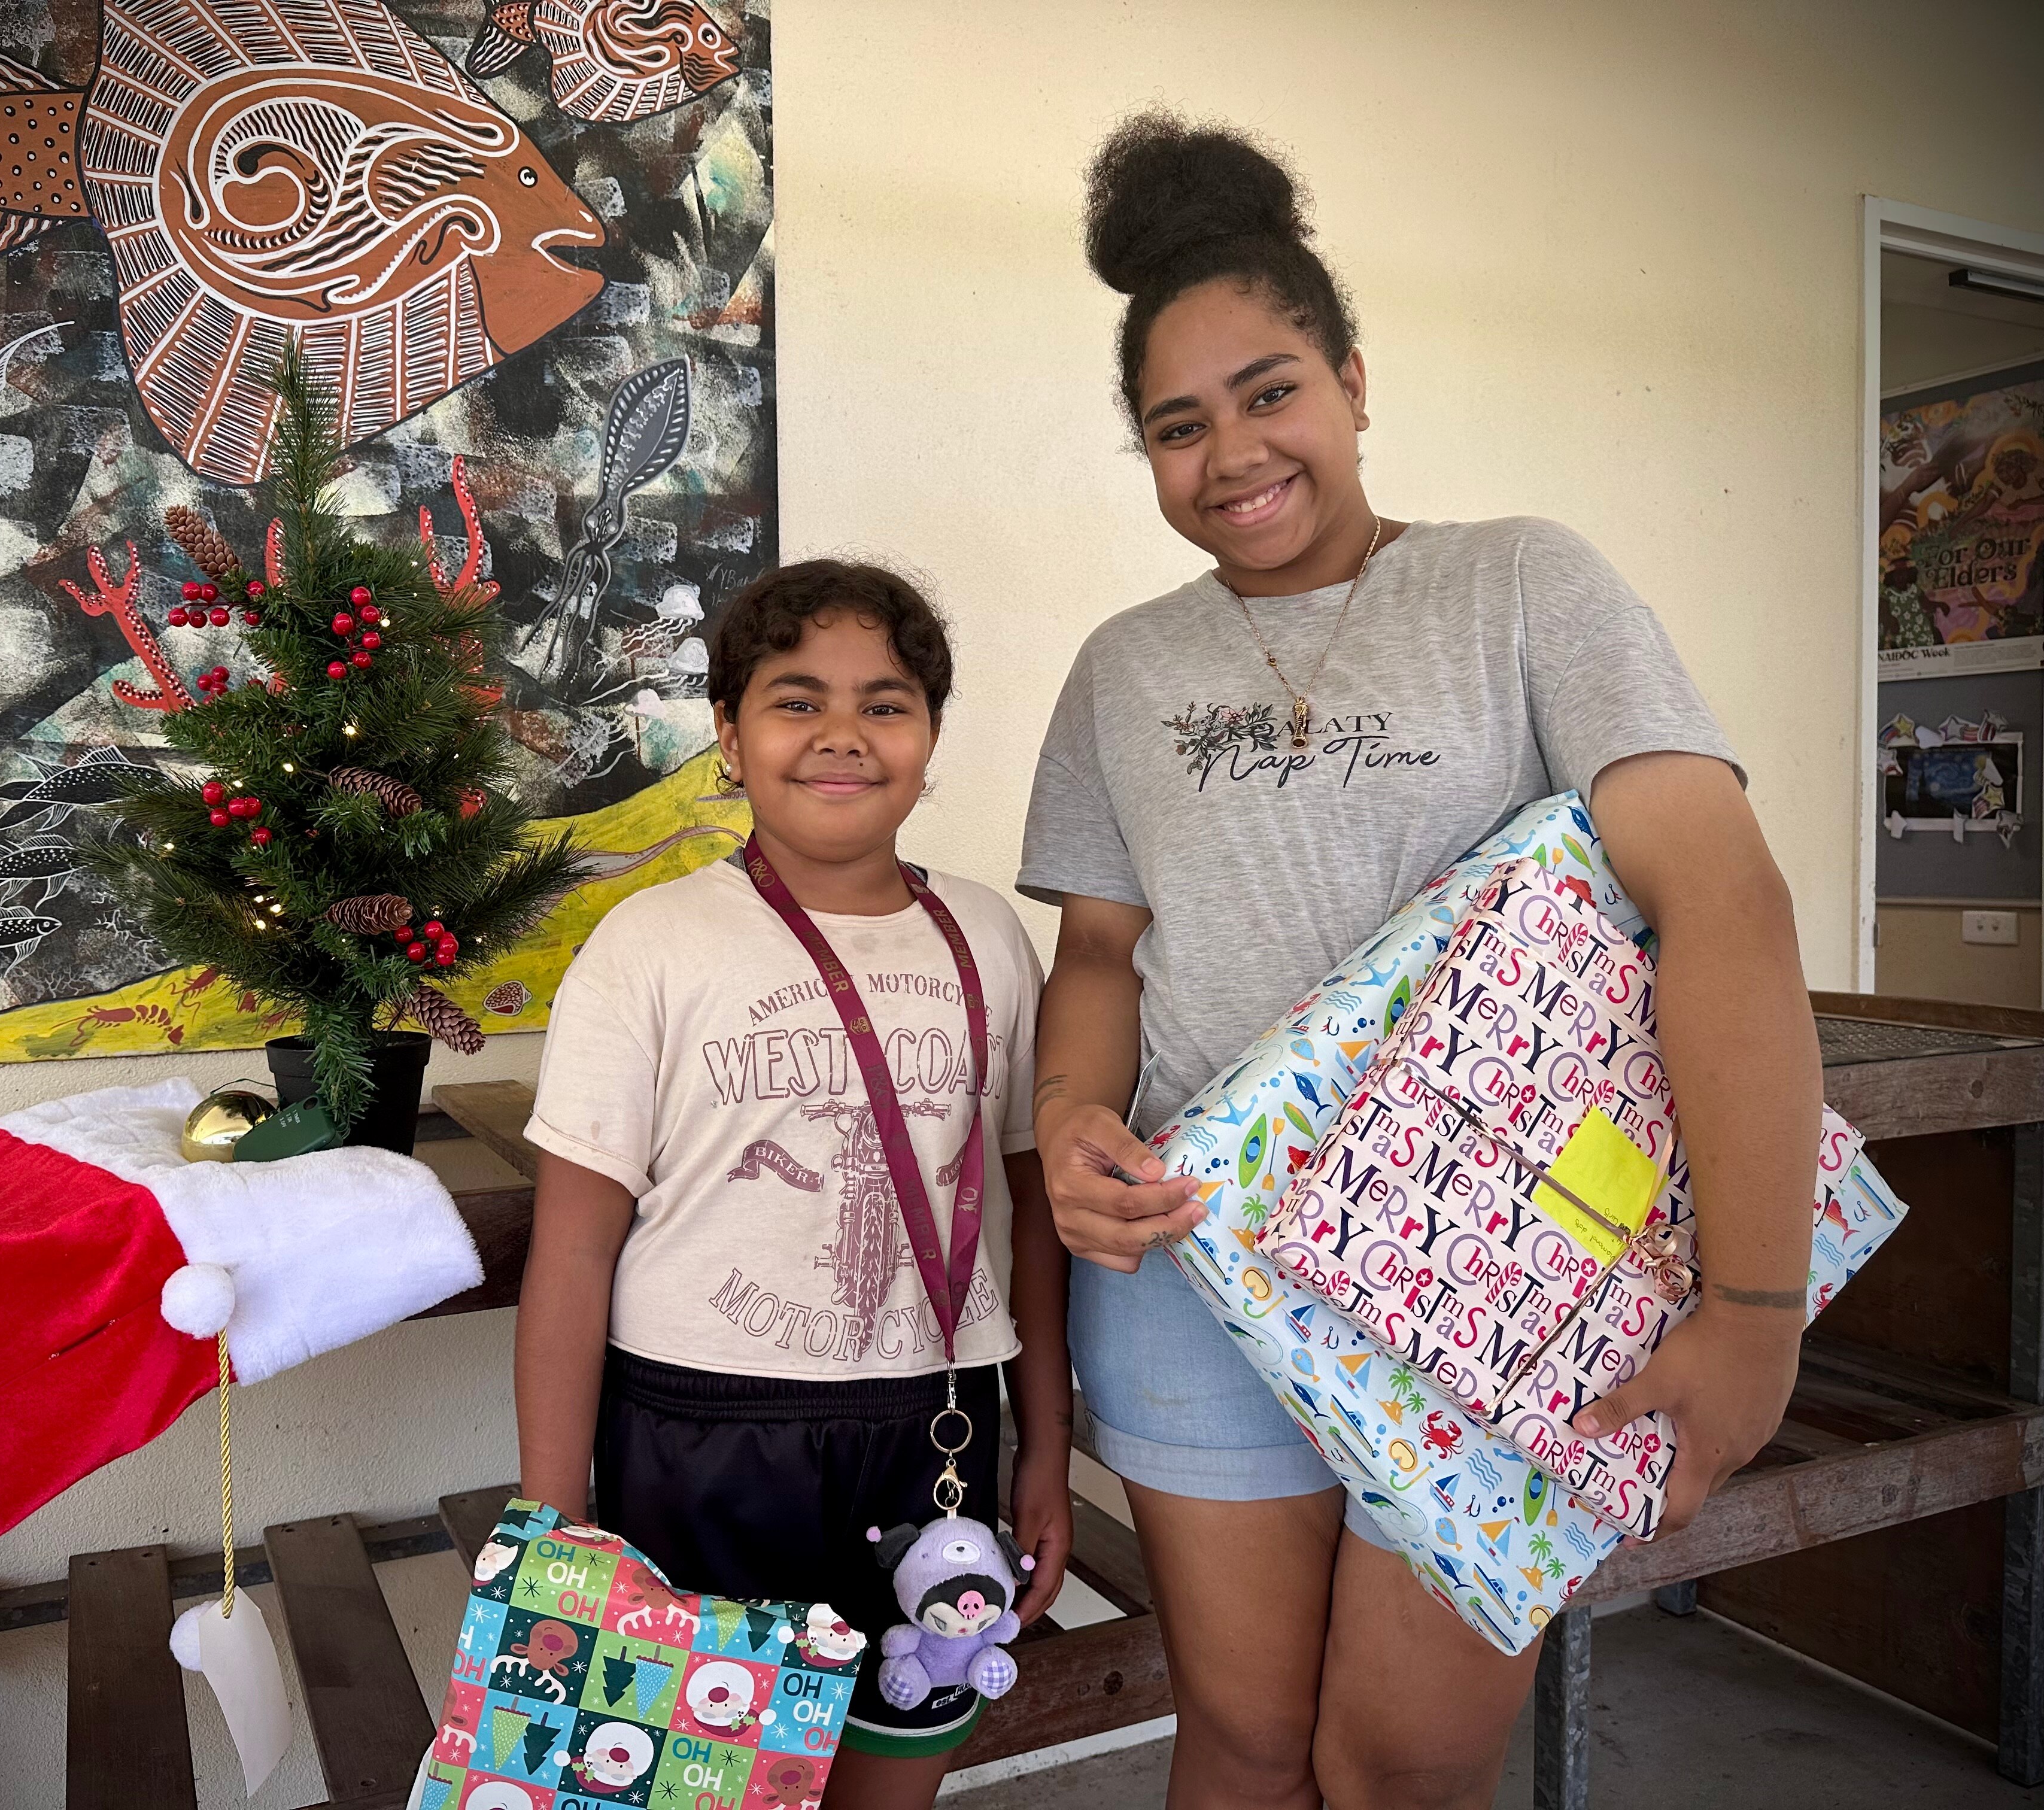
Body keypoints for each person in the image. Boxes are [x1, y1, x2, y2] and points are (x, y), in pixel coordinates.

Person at [1020, 116, 1821, 1810]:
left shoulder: (1519, 584)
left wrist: (1756, 1312)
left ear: (1356, 380)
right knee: (1237, 1736)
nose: (1232, 451)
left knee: (1399, 1760)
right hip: (1195, 1266)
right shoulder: (1120, 668)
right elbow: (1099, 947)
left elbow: (1726, 903)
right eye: (1178, 427)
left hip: (1496, 1277)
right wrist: (1073, 1117)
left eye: (1270, 388)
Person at [517, 559, 1076, 1809]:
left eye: (886, 704)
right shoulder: (651, 942)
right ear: (728, 733)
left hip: (938, 1432)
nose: (842, 735)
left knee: (896, 1768)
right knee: (701, 1784)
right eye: (794, 700)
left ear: (932, 737)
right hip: (706, 1438)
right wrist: (555, 1520)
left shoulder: (989, 935)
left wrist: (1048, 1442)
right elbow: (571, 1249)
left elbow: (1030, 1212)